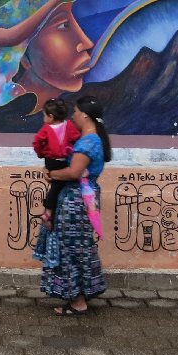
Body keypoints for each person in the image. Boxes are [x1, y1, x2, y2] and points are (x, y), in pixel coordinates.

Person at [40, 94, 110, 316]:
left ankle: (78, 301)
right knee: (78, 246)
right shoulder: (91, 139)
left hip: (75, 200)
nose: (73, 116)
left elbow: (74, 172)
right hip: (79, 197)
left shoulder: (88, 142)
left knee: (71, 248)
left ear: (85, 116)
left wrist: (51, 174)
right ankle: (79, 296)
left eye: (76, 112)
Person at [32, 98, 81, 227]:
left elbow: (37, 142)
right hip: (58, 162)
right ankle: (48, 212)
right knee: (57, 185)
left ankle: (49, 213)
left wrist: (41, 153)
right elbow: (77, 138)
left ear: (51, 116)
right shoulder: (68, 125)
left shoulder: (46, 129)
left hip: (52, 161)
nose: (43, 119)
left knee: (57, 185)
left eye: (44, 115)